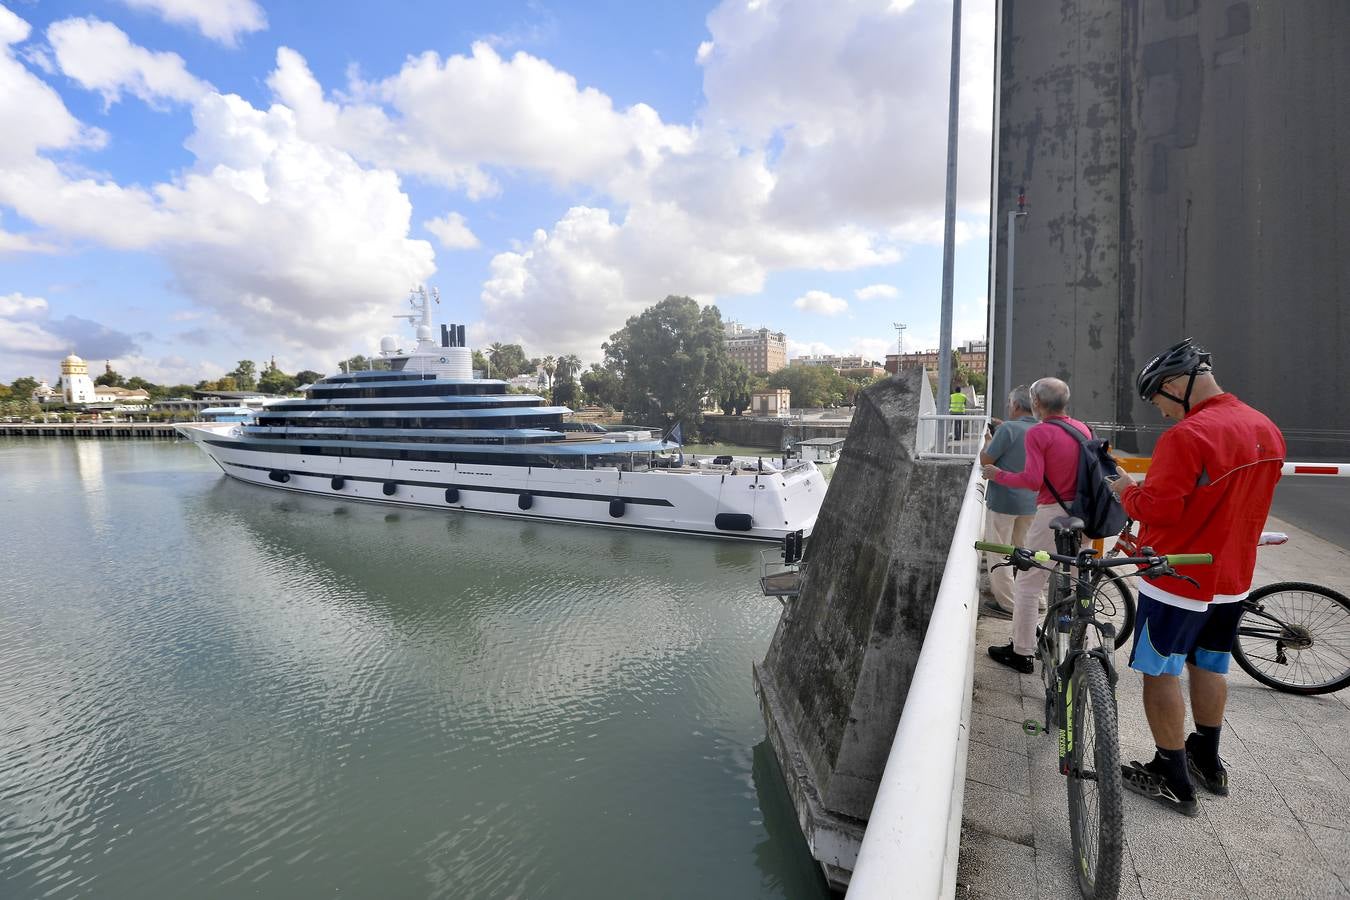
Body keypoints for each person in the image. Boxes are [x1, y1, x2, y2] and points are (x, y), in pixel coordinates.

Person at [1108, 339, 1284, 816]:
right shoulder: (1266, 427)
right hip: (1232, 574)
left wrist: (1126, 487)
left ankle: (1172, 774)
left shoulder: (1188, 435)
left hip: (1177, 576)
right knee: (1211, 663)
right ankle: (1207, 757)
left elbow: (1158, 512)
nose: (1162, 412)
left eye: (1158, 399)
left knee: (1159, 669)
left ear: (1174, 385)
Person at [980, 377, 1090, 673]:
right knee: (1078, 581)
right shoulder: (1081, 428)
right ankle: (1079, 650)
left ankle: (1022, 651)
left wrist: (996, 474)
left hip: (1051, 513)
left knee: (1028, 583)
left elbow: (1032, 480)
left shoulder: (1039, 434)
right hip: (1082, 515)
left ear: (1037, 403)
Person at [979, 386, 1039, 618]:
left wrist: (988, 440)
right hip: (1032, 501)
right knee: (1027, 551)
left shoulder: (1008, 430)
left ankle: (1008, 604)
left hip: (1004, 501)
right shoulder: (1041, 429)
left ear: (1015, 406)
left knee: (999, 551)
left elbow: (986, 459)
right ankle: (1037, 600)